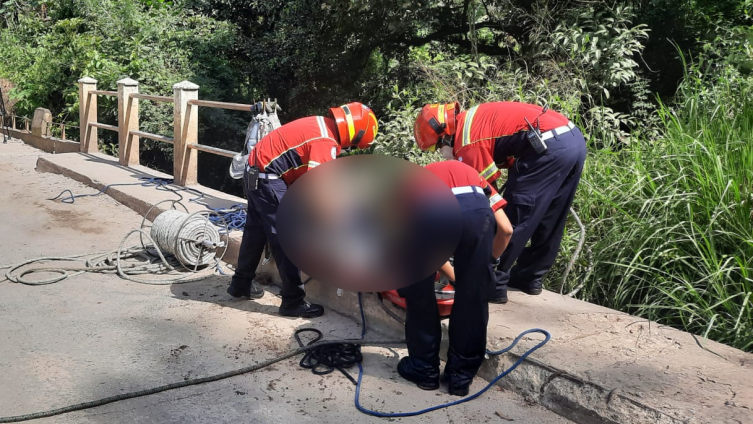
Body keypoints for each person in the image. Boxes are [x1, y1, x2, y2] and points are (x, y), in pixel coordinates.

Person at [414, 101, 587, 304]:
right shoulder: (471, 121)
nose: (441, 153)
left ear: (445, 133)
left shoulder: (467, 143)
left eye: (438, 146)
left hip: (548, 147)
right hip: (571, 140)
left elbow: (485, 203)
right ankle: (529, 278)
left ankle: (492, 284)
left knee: (516, 213)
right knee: (550, 216)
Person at [228, 102, 378, 317]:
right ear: (353, 135)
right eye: (353, 145)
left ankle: (240, 284)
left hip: (254, 173)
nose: (348, 149)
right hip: (267, 178)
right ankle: (292, 301)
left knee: (256, 232)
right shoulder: (325, 141)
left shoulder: (321, 124)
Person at [396, 159, 513, 395]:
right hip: (475, 211)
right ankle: (460, 378)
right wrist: (482, 266)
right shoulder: (477, 179)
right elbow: (507, 229)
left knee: (418, 294)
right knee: (474, 298)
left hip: (429, 210)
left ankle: (424, 371)